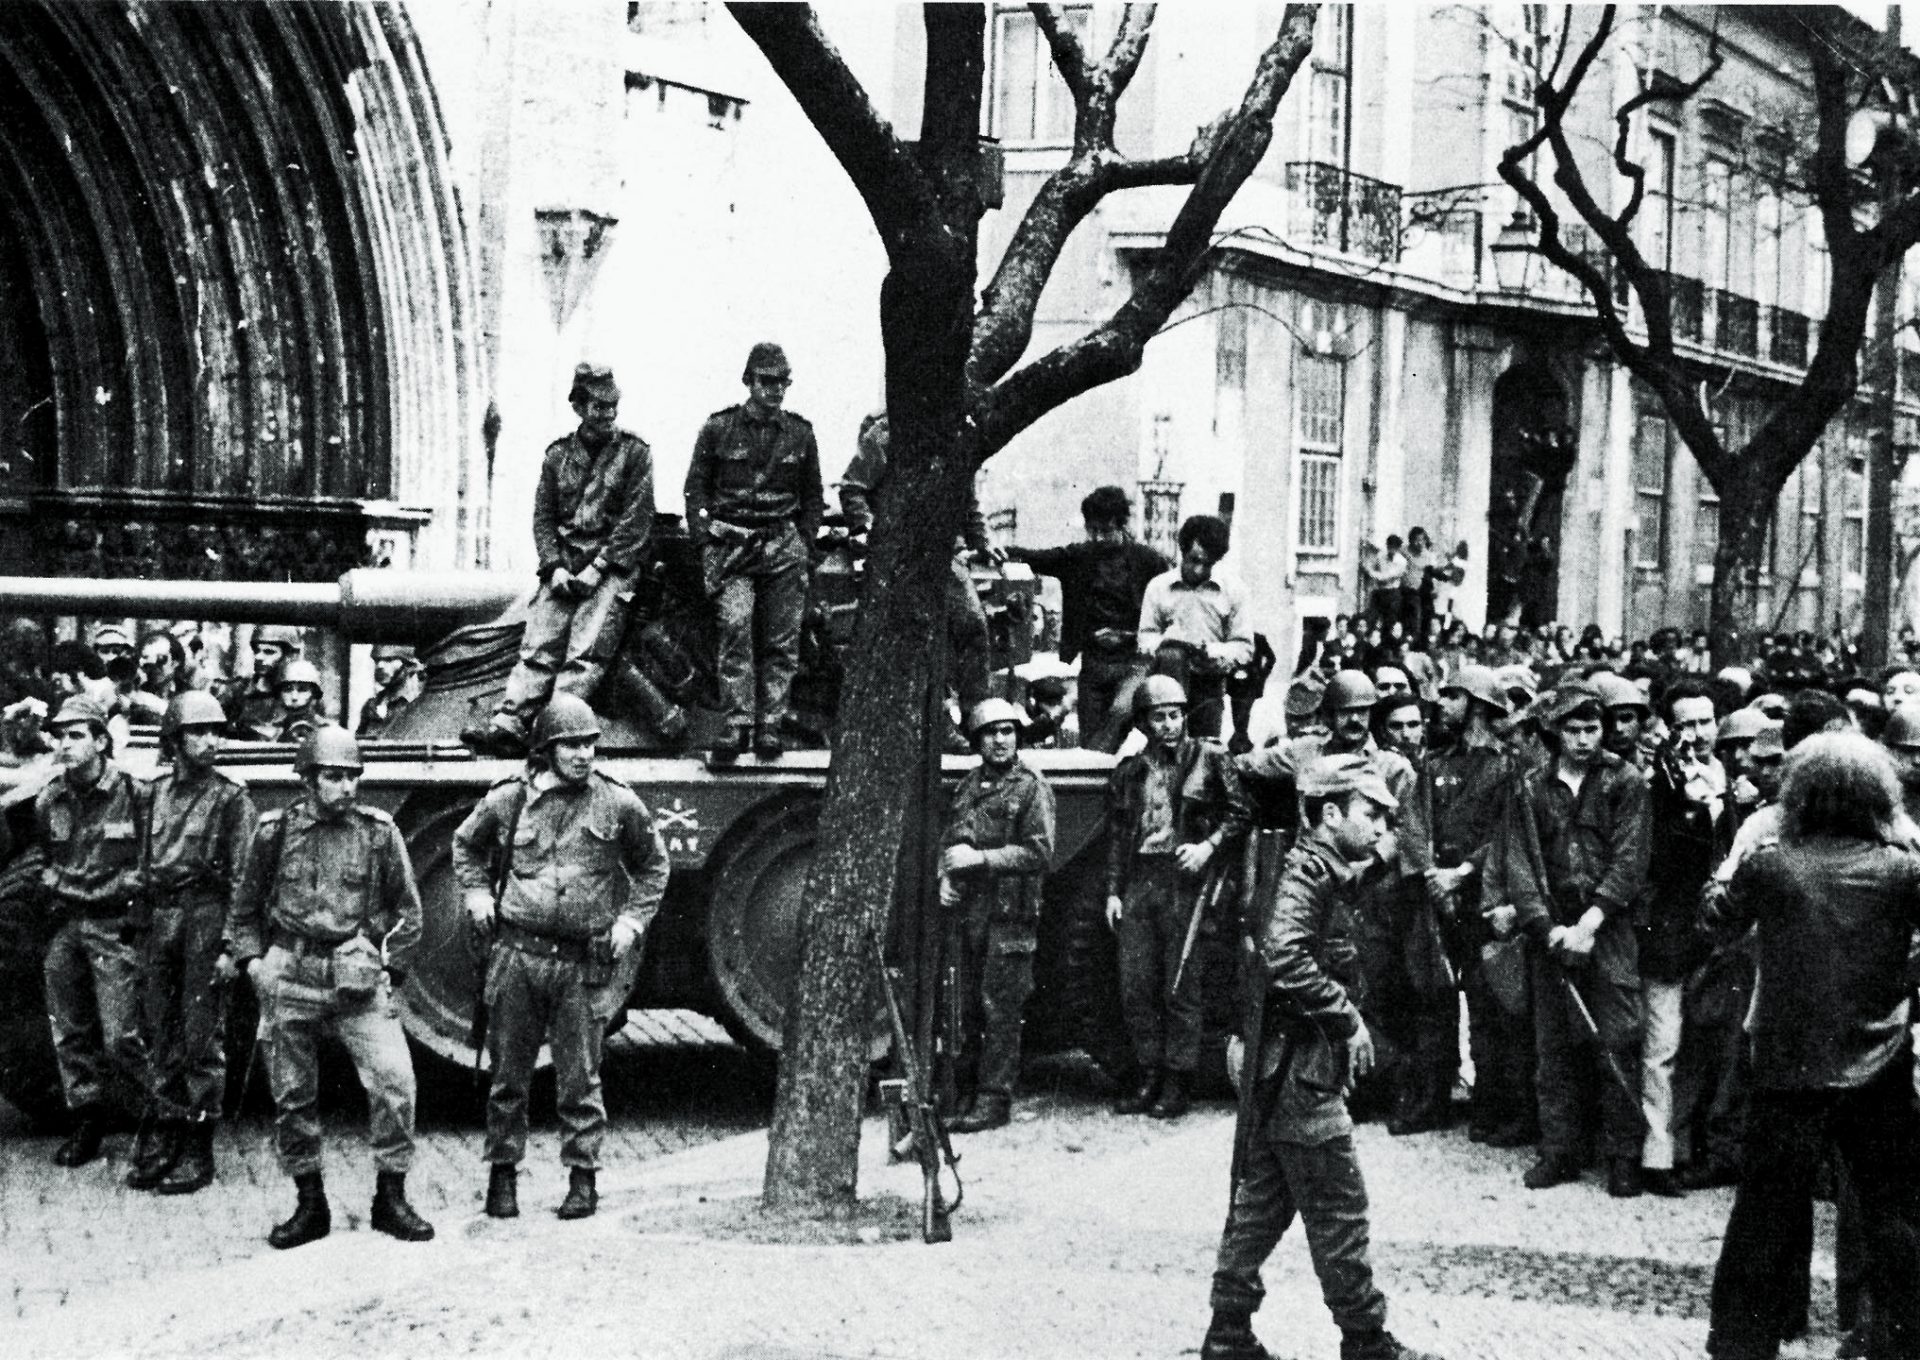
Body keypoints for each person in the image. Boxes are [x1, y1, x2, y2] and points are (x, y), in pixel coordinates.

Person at [1201, 754, 1440, 1360]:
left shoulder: (1319, 865)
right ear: (1329, 815)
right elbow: (1284, 954)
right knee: (1338, 1206)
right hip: (1299, 1068)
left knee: (1263, 1202)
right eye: (1372, 815)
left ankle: (1228, 1333)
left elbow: (1345, 884)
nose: (1383, 826)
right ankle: (1366, 1341)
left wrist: (1390, 847)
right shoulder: (1307, 872)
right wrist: (1346, 1017)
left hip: (1276, 1065)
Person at [1704, 732, 1920, 1360]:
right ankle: (1902, 1339)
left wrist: (1725, 879)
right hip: (1875, 1055)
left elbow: (1716, 921)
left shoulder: (1773, 861)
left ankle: (1743, 1341)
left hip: (1787, 1060)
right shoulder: (1904, 866)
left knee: (1764, 1211)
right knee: (1893, 1209)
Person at [453, 694, 669, 1221]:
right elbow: (466, 846)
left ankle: (582, 1178)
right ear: (546, 749)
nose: (583, 755)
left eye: (590, 744)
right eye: (571, 744)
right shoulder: (509, 799)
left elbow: (653, 866)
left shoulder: (617, 803)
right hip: (517, 956)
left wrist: (631, 922)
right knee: (509, 1078)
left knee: (580, 1078)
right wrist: (478, 894)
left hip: (582, 964)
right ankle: (502, 1175)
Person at [225, 724, 434, 1249]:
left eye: (352, 777)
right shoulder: (274, 832)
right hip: (290, 973)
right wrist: (253, 963)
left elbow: (409, 912)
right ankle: (309, 1202)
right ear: (308, 780)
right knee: (293, 1095)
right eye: (334, 778)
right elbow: (244, 908)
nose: (347, 788)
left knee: (394, 1082)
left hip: (356, 979)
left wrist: (391, 968)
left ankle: (391, 1196)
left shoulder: (378, 832)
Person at [1496, 679, 1651, 1198]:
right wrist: (1548, 928)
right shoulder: (1530, 787)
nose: (1585, 739)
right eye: (1573, 729)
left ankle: (1623, 1155)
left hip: (1609, 932)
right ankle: (1559, 1151)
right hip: (1553, 934)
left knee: (1618, 1041)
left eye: (1593, 728)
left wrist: (1591, 922)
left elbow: (1631, 861)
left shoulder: (1625, 781)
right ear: (1554, 731)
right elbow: (1518, 865)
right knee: (1554, 1047)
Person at [469, 363, 656, 756]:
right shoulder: (558, 456)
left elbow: (635, 521)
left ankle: (555, 730)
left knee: (585, 653)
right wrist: (553, 566)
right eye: (598, 406)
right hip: (565, 563)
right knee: (539, 643)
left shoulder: (635, 454)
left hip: (610, 569)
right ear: (579, 406)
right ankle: (511, 722)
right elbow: (544, 517)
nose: (607, 414)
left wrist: (598, 568)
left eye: (612, 406)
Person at [126, 691, 255, 1195]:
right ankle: (166, 1129)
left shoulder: (230, 797)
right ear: (175, 739)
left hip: (205, 913)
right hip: (161, 916)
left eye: (215, 732)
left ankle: (198, 1143)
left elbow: (244, 880)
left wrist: (231, 947)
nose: (210, 741)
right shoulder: (155, 792)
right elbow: (144, 859)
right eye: (198, 732)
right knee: (160, 1029)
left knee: (202, 1035)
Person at [1104, 675, 1249, 1120]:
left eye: (1174, 715)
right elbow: (1117, 835)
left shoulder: (1210, 757)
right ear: (1143, 722)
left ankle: (1177, 1079)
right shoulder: (1130, 771)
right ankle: (1148, 1074)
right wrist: (1113, 891)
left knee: (1180, 985)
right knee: (1136, 986)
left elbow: (1240, 813)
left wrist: (1207, 847)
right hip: (1141, 881)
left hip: (1186, 884)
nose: (1168, 725)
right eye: (1158, 717)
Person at [684, 342, 825, 761]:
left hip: (782, 542)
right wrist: (706, 541)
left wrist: (803, 541)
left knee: (783, 639)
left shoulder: (801, 433)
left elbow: (813, 496)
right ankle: (737, 722)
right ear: (749, 381)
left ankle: (770, 726)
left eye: (782, 382)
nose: (775, 390)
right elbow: (696, 491)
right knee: (735, 625)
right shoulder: (718, 428)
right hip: (733, 542)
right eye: (766, 381)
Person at [37, 696, 148, 1167]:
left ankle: (155, 1122)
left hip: (116, 924)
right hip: (70, 924)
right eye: (60, 735)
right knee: (69, 1029)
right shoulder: (50, 799)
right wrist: (65, 887)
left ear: (102, 741)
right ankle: (87, 1119)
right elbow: (46, 863)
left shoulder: (135, 794)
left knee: (122, 1035)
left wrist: (110, 891)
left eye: (76, 734)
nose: (66, 744)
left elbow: (147, 865)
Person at [938, 698, 1058, 1133]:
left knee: (1001, 1009)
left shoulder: (1031, 787)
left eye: (1008, 731)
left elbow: (1039, 852)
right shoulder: (970, 785)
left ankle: (993, 1099)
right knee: (964, 1006)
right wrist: (945, 875)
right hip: (970, 913)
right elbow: (953, 838)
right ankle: (966, 1092)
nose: (1000, 740)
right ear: (977, 741)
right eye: (990, 733)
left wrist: (979, 862)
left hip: (1010, 915)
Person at [1427, 665, 1535, 1146]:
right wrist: (1434, 874)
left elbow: (1503, 834)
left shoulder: (1508, 766)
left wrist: (1463, 873)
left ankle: (1500, 1108)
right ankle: (1463, 1099)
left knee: (1496, 1007)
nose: (1441, 703)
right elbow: (1422, 821)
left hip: (1485, 896)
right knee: (1447, 997)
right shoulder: (1437, 761)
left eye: (1452, 696)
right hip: (1440, 895)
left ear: (1475, 704)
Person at [838, 411, 997, 712]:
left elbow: (967, 498)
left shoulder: (959, 432)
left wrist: (982, 539)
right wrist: (869, 529)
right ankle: (937, 718)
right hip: (899, 551)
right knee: (918, 636)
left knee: (972, 624)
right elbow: (853, 488)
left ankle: (978, 713)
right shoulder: (886, 432)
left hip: (943, 550)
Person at [1638, 680, 1726, 1198]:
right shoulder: (1657, 784)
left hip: (1717, 930)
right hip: (1669, 925)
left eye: (1704, 722)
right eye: (1684, 724)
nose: (1696, 734)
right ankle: (1657, 1155)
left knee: (1705, 1040)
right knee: (1661, 1044)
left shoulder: (1731, 779)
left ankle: (1692, 1147)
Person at [1008, 486, 1169, 752]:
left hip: (1134, 661)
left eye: (1105, 531)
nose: (1097, 537)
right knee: (1091, 742)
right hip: (1093, 662)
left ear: (1122, 525)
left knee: (1120, 712)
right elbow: (1038, 558)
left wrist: (1131, 636)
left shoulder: (1148, 561)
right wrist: (993, 552)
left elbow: (1167, 610)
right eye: (1091, 530)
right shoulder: (1080, 557)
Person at [1137, 514, 1252, 741]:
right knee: (1167, 750)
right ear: (1182, 552)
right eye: (1193, 560)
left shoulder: (1234, 590)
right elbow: (1145, 638)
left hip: (1209, 682)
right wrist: (1167, 640)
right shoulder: (1158, 587)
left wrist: (1212, 651)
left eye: (1207, 564)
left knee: (1204, 752)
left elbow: (1244, 646)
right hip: (1166, 686)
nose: (1199, 570)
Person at [356, 644, 419, 739]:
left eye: (389, 660)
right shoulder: (371, 706)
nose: (379, 666)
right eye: (377, 660)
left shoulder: (415, 704)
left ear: (408, 665)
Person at [267, 658, 328, 742]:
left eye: (302, 690)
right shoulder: (271, 730)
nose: (294, 697)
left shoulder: (326, 729)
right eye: (288, 690)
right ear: (280, 694)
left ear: (313, 693)